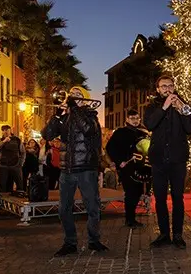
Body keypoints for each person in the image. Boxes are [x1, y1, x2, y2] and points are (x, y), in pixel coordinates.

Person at [42, 86, 108, 256]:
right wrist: (57, 115)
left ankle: (94, 240)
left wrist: (76, 108)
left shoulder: (89, 114)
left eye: (78, 95)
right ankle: (70, 242)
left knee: (92, 207)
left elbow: (87, 129)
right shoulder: (64, 117)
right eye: (71, 95)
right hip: (66, 170)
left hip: (86, 168)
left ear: (84, 99)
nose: (73, 97)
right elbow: (47, 135)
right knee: (64, 208)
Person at [144, 74, 191, 249]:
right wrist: (165, 107)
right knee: (159, 199)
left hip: (178, 159)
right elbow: (150, 125)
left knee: (177, 198)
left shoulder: (182, 105)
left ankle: (178, 235)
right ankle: (164, 234)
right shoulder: (152, 107)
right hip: (158, 159)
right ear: (158, 89)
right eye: (164, 86)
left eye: (170, 85)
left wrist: (180, 109)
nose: (168, 88)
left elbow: (190, 129)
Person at [106, 109, 148, 228]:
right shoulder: (120, 132)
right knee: (130, 193)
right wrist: (119, 162)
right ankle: (129, 219)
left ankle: (132, 218)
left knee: (138, 192)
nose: (135, 121)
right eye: (132, 118)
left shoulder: (142, 133)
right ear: (127, 120)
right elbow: (110, 148)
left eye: (137, 118)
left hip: (140, 168)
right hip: (127, 167)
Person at [0, 125, 25, 193]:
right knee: (2, 185)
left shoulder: (17, 140)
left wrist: (21, 163)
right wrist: (4, 142)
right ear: (2, 132)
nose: (5, 132)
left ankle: (19, 200)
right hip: (3, 165)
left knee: (19, 184)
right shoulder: (0, 140)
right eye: (4, 130)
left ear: (10, 130)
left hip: (16, 165)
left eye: (7, 130)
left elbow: (23, 152)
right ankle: (3, 201)